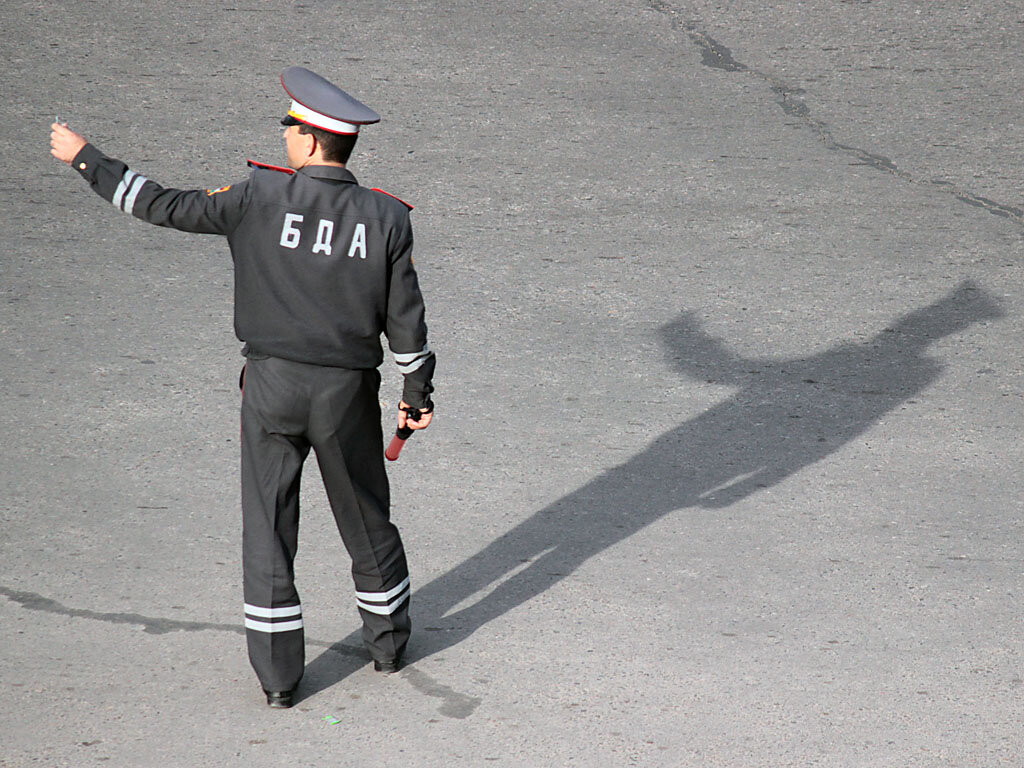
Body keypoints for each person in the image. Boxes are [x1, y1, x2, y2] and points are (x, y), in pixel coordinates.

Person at [49, 67, 435, 709]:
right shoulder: (386, 218)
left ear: (309, 143)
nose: (284, 138)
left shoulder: (256, 197)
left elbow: (158, 203)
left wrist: (86, 158)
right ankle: (389, 644)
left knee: (268, 528)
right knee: (366, 517)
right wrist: (415, 396)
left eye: (290, 129)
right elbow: (408, 326)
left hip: (271, 389)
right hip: (346, 397)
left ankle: (280, 681)